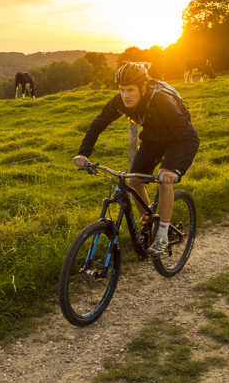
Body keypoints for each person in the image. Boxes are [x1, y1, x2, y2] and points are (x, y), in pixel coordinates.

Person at [73, 62, 200, 256]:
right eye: (122, 90)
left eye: (130, 90)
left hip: (177, 139)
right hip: (152, 138)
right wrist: (83, 153)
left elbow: (191, 138)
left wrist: (177, 171)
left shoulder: (161, 101)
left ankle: (162, 235)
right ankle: (148, 225)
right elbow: (98, 123)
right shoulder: (119, 101)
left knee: (164, 178)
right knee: (134, 181)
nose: (125, 95)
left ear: (142, 88)